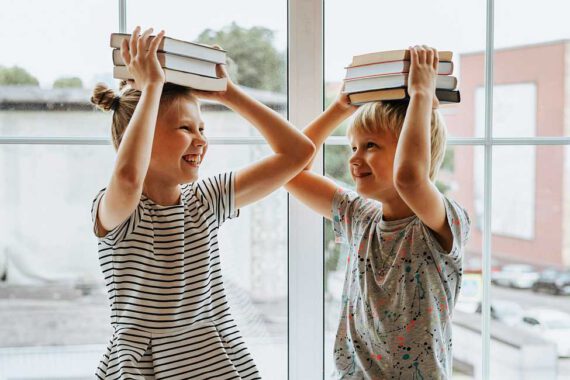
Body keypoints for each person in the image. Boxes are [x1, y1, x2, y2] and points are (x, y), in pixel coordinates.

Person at [90, 26, 314, 379]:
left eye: (202, 129)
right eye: (184, 129)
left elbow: (298, 153)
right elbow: (129, 177)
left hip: (214, 359)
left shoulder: (207, 200)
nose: (200, 141)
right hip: (141, 368)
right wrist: (150, 88)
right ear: (142, 136)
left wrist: (230, 94)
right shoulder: (119, 210)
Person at [285, 45, 471, 378]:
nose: (355, 159)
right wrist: (338, 110)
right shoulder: (359, 215)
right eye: (353, 146)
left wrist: (421, 96)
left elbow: (410, 178)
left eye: (371, 146)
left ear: (415, 150)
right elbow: (289, 171)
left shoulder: (442, 220)